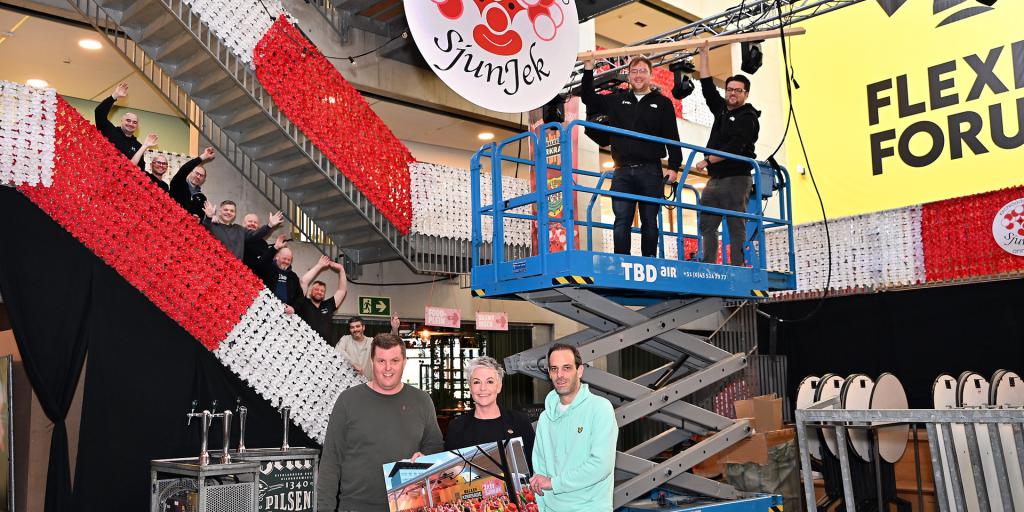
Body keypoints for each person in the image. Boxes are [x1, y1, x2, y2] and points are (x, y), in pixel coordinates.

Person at [318, 334, 444, 512]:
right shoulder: (348, 400)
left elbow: (435, 446)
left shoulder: (422, 400)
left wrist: (426, 458)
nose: (388, 368)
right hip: (356, 507)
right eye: (381, 361)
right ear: (371, 362)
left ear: (404, 362)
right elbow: (331, 461)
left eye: (394, 360)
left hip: (408, 506)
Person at [581, 56, 683, 257]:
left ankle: (649, 262)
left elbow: (672, 136)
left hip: (650, 170)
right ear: (628, 75)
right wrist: (588, 70)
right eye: (634, 71)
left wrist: (674, 166)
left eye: (643, 71)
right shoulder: (617, 100)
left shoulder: (662, 103)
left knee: (649, 220)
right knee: (621, 220)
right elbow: (588, 98)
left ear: (651, 75)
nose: (638, 75)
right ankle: (621, 262)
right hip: (622, 171)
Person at [529, 344, 616, 511]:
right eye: (554, 369)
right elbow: (539, 474)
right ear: (549, 373)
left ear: (580, 371)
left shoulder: (600, 409)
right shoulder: (545, 419)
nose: (560, 375)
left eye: (567, 368)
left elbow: (600, 465)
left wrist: (554, 483)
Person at [695, 51, 760, 266]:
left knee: (735, 224)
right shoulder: (722, 110)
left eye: (737, 91)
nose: (732, 94)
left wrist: (708, 160)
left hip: (737, 178)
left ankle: (737, 265)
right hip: (715, 179)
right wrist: (703, 56)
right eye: (729, 89)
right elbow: (706, 87)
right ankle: (709, 263)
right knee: (707, 223)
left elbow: (736, 147)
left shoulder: (748, 117)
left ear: (746, 94)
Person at [444, 356, 535, 470]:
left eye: (490, 381)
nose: (483, 388)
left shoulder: (520, 422)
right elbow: (448, 473)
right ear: (470, 387)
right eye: (477, 382)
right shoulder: (456, 427)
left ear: (499, 386)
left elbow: (534, 467)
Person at [94, 82, 154, 171]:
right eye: (128, 120)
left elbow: (140, 171)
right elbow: (99, 113)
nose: (131, 124)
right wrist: (114, 96)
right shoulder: (110, 131)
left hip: (122, 184)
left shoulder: (138, 146)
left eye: (134, 122)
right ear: (121, 121)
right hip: (102, 178)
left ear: (137, 126)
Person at [202, 201, 284, 260]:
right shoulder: (212, 225)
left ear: (235, 214)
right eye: (225, 210)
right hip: (216, 271)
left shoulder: (240, 230)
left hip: (236, 273)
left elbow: (256, 234)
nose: (228, 212)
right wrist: (209, 217)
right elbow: (203, 228)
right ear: (220, 212)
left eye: (232, 211)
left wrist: (269, 225)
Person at [296, 255, 348, 343]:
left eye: (322, 291)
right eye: (316, 289)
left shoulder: (328, 305)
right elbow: (303, 281)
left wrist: (341, 270)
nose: (319, 292)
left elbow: (342, 290)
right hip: (305, 347)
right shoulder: (303, 302)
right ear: (310, 292)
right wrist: (319, 265)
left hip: (325, 349)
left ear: (324, 294)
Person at [335, 314, 401, 375]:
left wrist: (395, 328)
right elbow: (338, 351)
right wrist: (353, 364)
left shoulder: (371, 341)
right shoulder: (345, 339)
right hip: (350, 383)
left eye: (358, 326)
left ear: (363, 327)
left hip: (368, 383)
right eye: (352, 327)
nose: (355, 329)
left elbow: (390, 343)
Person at [256, 238, 301, 314]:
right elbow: (261, 263)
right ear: (277, 257)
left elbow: (300, 296)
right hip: (265, 311)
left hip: (284, 315)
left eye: (289, 260)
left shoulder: (293, 276)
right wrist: (275, 248)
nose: (286, 262)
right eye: (284, 258)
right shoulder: (267, 268)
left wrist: (294, 308)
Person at [170, 147, 216, 220]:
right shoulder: (178, 184)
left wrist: (199, 219)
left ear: (203, 180)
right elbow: (184, 170)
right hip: (171, 226)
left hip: (189, 230)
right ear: (190, 173)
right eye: (197, 173)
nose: (198, 177)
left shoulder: (202, 198)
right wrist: (203, 157)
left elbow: (201, 217)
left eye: (201, 176)